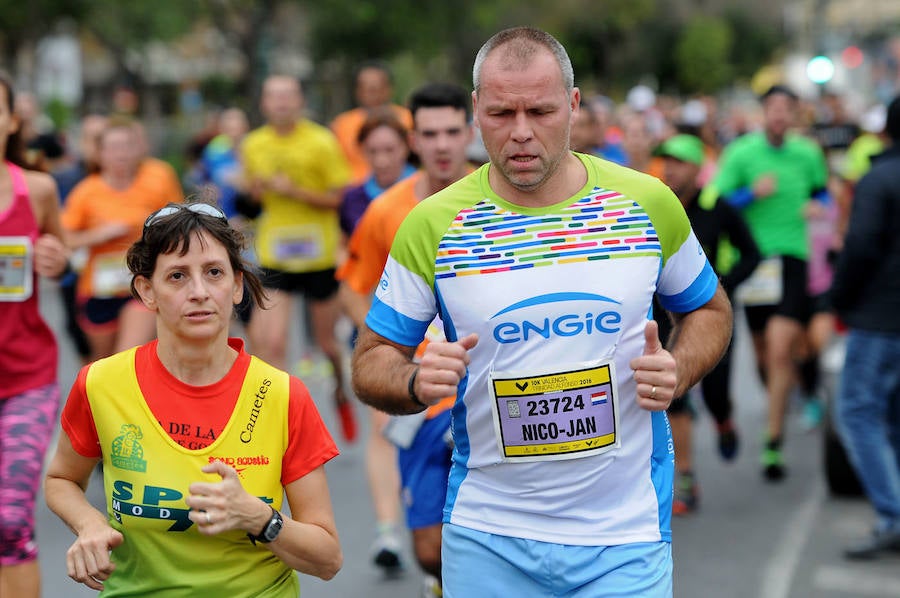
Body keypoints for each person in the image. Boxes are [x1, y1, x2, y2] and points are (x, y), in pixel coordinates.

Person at [351, 27, 732, 597]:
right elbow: (370, 361)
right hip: (488, 535)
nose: (522, 133)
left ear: (573, 106)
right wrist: (412, 379)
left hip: (623, 535)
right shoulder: (432, 225)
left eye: (542, 111)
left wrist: (679, 369)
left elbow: (709, 309)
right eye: (502, 113)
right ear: (477, 110)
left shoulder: (647, 203)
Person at [44, 201, 343, 595]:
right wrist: (89, 524)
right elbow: (61, 479)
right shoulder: (101, 383)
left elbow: (327, 560)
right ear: (147, 291)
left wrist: (259, 517)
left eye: (214, 273)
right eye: (178, 276)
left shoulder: (282, 394)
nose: (199, 292)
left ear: (237, 286)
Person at [337, 82, 473, 589]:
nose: (442, 145)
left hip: (490, 385)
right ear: (413, 139)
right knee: (429, 549)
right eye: (430, 133)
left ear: (470, 131)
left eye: (452, 132)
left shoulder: (501, 198)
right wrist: (389, 347)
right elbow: (354, 288)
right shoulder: (387, 211)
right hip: (420, 388)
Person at [713, 84, 830, 481]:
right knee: (764, 355)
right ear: (763, 113)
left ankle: (772, 442)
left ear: (795, 115)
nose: (779, 114)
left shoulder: (808, 153)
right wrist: (750, 193)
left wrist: (820, 206)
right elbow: (717, 201)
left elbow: (824, 194)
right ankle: (789, 391)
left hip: (792, 257)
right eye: (772, 107)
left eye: (786, 108)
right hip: (754, 264)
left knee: (780, 349)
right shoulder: (742, 153)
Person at [241, 75, 357, 443]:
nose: (281, 104)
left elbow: (340, 198)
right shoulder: (254, 144)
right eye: (273, 97)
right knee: (269, 343)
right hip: (277, 254)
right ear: (263, 104)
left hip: (319, 255)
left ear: (300, 101)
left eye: (288, 96)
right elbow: (251, 201)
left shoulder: (321, 141)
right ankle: (281, 421)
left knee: (327, 346)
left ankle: (340, 391)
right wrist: (255, 194)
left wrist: (296, 192)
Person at [654, 134, 761, 514]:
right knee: (674, 396)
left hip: (707, 316)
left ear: (698, 168)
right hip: (661, 316)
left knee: (715, 394)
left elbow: (753, 254)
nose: (670, 168)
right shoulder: (655, 206)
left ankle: (724, 421)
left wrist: (719, 290)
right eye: (666, 160)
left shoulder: (719, 208)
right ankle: (686, 481)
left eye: (679, 162)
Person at [0, 72, 69, 598]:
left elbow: (60, 258)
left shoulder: (38, 189)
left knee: (8, 518)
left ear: (11, 121)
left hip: (25, 374)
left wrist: (54, 259)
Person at [830, 94, 900, 560]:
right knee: (891, 417)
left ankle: (893, 517)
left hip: (879, 318)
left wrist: (839, 299)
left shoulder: (879, 179)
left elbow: (860, 247)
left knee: (857, 411)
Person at [61, 117, 179, 361]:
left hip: (141, 283)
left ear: (137, 149)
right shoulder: (86, 191)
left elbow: (179, 224)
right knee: (101, 366)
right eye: (114, 147)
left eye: (127, 146)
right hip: (98, 289)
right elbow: (64, 239)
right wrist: (98, 235)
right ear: (100, 154)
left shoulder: (156, 181)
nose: (121, 153)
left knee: (126, 357)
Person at [330, 61, 414, 184]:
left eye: (377, 87)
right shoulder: (342, 124)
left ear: (389, 88)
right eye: (366, 88)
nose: (372, 93)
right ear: (358, 91)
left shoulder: (408, 119)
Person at [338, 107, 415, 239]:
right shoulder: (352, 198)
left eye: (390, 150)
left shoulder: (427, 192)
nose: (381, 161)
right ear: (361, 150)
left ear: (407, 146)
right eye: (372, 151)